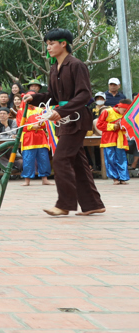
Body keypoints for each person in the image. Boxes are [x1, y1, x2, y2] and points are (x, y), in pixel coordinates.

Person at [24, 29, 104, 216]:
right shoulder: (54, 68)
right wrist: (34, 98)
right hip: (64, 120)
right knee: (77, 163)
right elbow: (52, 96)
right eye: (47, 44)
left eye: (52, 43)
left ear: (64, 44)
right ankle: (93, 204)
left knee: (60, 159)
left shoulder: (76, 65)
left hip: (77, 119)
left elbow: (85, 95)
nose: (49, 47)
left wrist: (60, 111)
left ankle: (64, 204)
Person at [97, 100, 131, 184]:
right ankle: (115, 178)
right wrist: (113, 126)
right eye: (124, 111)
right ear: (119, 107)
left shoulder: (126, 115)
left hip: (120, 139)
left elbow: (128, 126)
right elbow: (99, 125)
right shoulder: (107, 112)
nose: (124, 113)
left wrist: (122, 127)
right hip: (109, 139)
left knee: (122, 159)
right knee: (110, 159)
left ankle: (123, 178)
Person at [20, 106, 53, 186]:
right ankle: (27, 180)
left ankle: (45, 179)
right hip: (28, 137)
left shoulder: (41, 110)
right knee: (28, 159)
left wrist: (40, 125)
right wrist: (31, 126)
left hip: (41, 137)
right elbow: (20, 124)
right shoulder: (21, 111)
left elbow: (47, 123)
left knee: (44, 158)